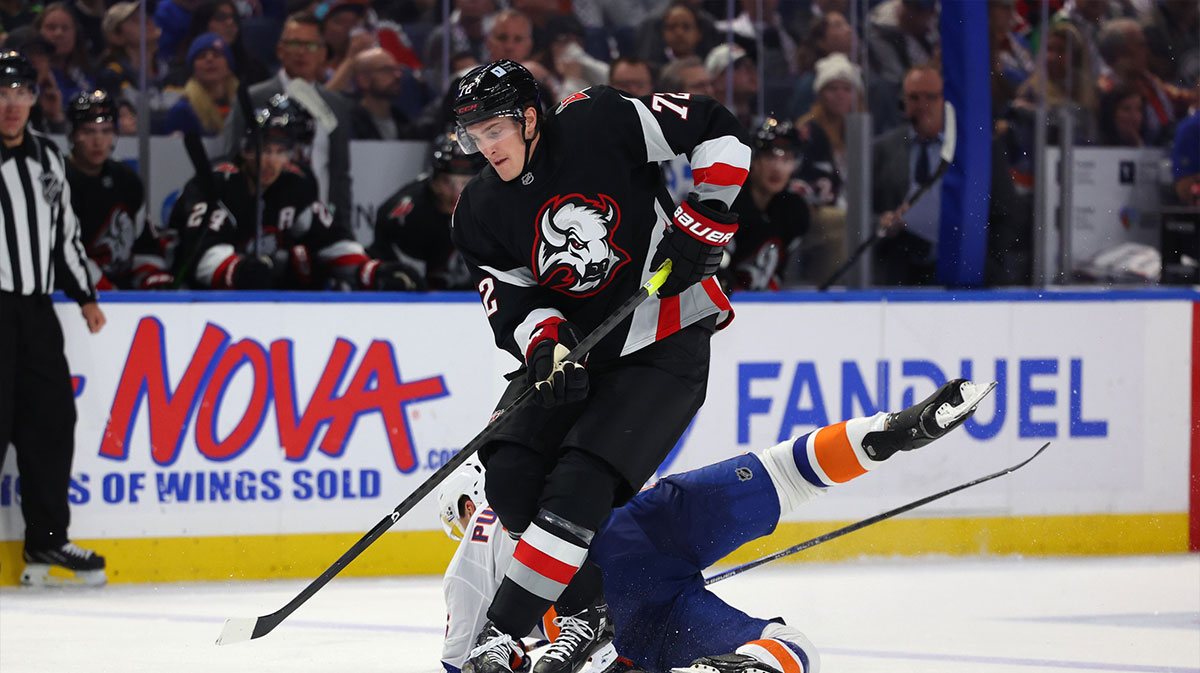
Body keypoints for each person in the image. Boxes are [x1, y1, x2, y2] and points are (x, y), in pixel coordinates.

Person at [449, 59, 749, 673]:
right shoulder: (478, 208)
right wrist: (545, 344)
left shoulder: (599, 120)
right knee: (509, 473)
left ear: (528, 119)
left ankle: (500, 632)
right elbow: (514, 297)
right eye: (474, 137)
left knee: (580, 482)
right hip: (582, 350)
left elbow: (715, 126)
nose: (486, 148)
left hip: (666, 336)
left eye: (494, 131)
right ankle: (589, 612)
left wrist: (710, 212)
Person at [438, 378, 997, 673]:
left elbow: (468, 660)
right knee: (789, 640)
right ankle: (891, 432)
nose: (469, 519)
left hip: (623, 612)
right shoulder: (524, 488)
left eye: (460, 510)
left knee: (793, 645)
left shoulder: (473, 556)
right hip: (644, 532)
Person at [0, 50, 107, 587]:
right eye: (2, 94)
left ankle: (45, 541)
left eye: (21, 93)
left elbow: (65, 236)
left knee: (50, 422)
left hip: (37, 310)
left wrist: (84, 295)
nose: (12, 105)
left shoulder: (47, 158)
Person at [170, 94, 414, 291]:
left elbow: (330, 240)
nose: (271, 161)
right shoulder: (215, 183)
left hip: (266, 302)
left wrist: (371, 271)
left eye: (280, 152)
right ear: (245, 151)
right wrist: (240, 271)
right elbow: (201, 256)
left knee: (302, 260)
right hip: (198, 299)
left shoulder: (296, 184)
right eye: (265, 150)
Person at [219, 10, 354, 234]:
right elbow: (232, 159)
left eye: (310, 46)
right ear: (279, 50)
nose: (301, 52)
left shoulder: (336, 105)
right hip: (263, 223)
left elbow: (340, 174)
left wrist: (343, 228)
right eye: (294, 44)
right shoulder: (252, 98)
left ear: (323, 53)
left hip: (318, 224)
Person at [64, 90, 172, 290]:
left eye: (106, 131)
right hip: (73, 290)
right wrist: (103, 288)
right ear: (72, 135)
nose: (98, 141)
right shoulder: (59, 180)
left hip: (119, 283)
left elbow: (141, 242)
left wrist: (153, 270)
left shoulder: (126, 179)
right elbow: (59, 251)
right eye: (88, 131)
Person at [371, 132, 485, 290]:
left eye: (465, 182)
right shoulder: (407, 215)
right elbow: (387, 262)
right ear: (434, 180)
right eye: (447, 182)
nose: (456, 192)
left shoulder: (493, 206)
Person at [871, 63, 945, 286]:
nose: (922, 105)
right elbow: (858, 210)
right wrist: (880, 222)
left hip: (958, 268)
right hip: (898, 268)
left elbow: (1004, 214)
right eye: (914, 97)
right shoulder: (882, 148)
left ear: (945, 100)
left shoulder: (970, 149)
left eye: (931, 97)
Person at [721, 118, 810, 292]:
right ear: (753, 160)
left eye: (786, 159)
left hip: (768, 304)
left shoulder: (795, 210)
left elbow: (786, 272)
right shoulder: (728, 204)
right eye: (770, 157)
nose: (777, 168)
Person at [96, 0, 180, 136]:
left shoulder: (172, 74)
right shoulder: (112, 76)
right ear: (117, 36)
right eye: (136, 20)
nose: (147, 21)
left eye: (147, 16)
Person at [162, 32, 238, 136]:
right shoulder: (183, 111)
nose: (209, 59)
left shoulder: (244, 103)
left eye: (216, 55)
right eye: (201, 56)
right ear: (193, 69)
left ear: (228, 66)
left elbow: (257, 127)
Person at [33, 2, 94, 110]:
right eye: (51, 27)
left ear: (76, 34)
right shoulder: (32, 77)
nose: (58, 33)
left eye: (65, 28)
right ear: (38, 32)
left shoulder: (87, 73)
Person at [348, 47, 415, 140]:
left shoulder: (403, 120)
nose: (397, 75)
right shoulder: (349, 123)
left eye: (398, 69)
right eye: (387, 69)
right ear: (364, 80)